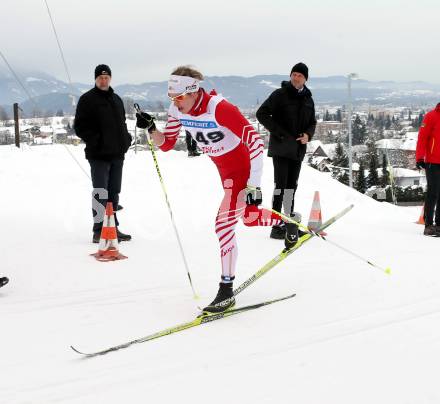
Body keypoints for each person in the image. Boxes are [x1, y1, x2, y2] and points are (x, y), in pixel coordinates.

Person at [136, 66, 290, 313]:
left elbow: (255, 142)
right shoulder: (177, 109)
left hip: (243, 170)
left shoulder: (219, 108)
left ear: (194, 91)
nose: (175, 102)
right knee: (250, 219)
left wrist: (254, 185)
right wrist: (152, 128)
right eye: (171, 97)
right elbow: (167, 145)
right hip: (225, 174)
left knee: (223, 225)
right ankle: (287, 224)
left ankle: (226, 291)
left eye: (179, 97)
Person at [256, 62, 316, 243]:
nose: (296, 77)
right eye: (294, 74)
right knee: (280, 186)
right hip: (282, 149)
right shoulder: (280, 94)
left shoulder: (308, 98)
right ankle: (276, 226)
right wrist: (279, 133)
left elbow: (312, 122)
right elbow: (262, 114)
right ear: (290, 76)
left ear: (305, 79)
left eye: (300, 75)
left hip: (298, 150)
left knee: (292, 186)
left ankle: (288, 222)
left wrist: (308, 135)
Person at [74, 64, 132, 243]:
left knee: (114, 192)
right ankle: (99, 230)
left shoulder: (116, 99)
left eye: (107, 77)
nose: (104, 80)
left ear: (110, 79)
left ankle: (112, 227)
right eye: (100, 77)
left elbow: (121, 123)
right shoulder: (87, 99)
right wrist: (97, 141)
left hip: (117, 154)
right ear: (95, 79)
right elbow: (80, 127)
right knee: (101, 192)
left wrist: (126, 139)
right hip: (98, 155)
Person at [416, 102, 440, 237]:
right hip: (432, 162)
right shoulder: (431, 116)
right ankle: (429, 225)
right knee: (433, 193)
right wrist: (419, 158)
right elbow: (422, 138)